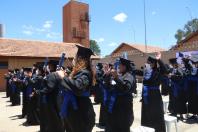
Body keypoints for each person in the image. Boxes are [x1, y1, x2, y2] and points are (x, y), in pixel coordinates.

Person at [56, 45, 96, 132]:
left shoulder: (85, 73)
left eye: (76, 57)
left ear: (80, 59)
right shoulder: (79, 72)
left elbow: (78, 87)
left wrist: (63, 78)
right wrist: (66, 76)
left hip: (81, 112)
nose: (75, 59)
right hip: (75, 110)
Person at [103, 57, 135, 132]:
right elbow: (107, 86)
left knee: (122, 127)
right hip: (115, 107)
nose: (118, 66)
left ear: (125, 66)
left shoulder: (129, 76)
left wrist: (116, 77)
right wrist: (107, 75)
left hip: (123, 109)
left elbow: (125, 88)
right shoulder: (120, 75)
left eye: (120, 64)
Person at [36, 60, 64, 132]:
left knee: (53, 117)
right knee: (57, 116)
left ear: (51, 67)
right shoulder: (57, 74)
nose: (47, 67)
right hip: (57, 97)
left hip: (51, 99)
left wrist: (39, 92)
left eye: (48, 66)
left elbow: (49, 88)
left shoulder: (52, 75)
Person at [141, 52, 166, 132]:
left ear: (153, 63)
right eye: (147, 62)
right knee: (147, 115)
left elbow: (165, 70)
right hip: (146, 97)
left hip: (155, 97)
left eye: (148, 63)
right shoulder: (147, 71)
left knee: (155, 116)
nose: (147, 64)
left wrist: (159, 60)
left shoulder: (158, 71)